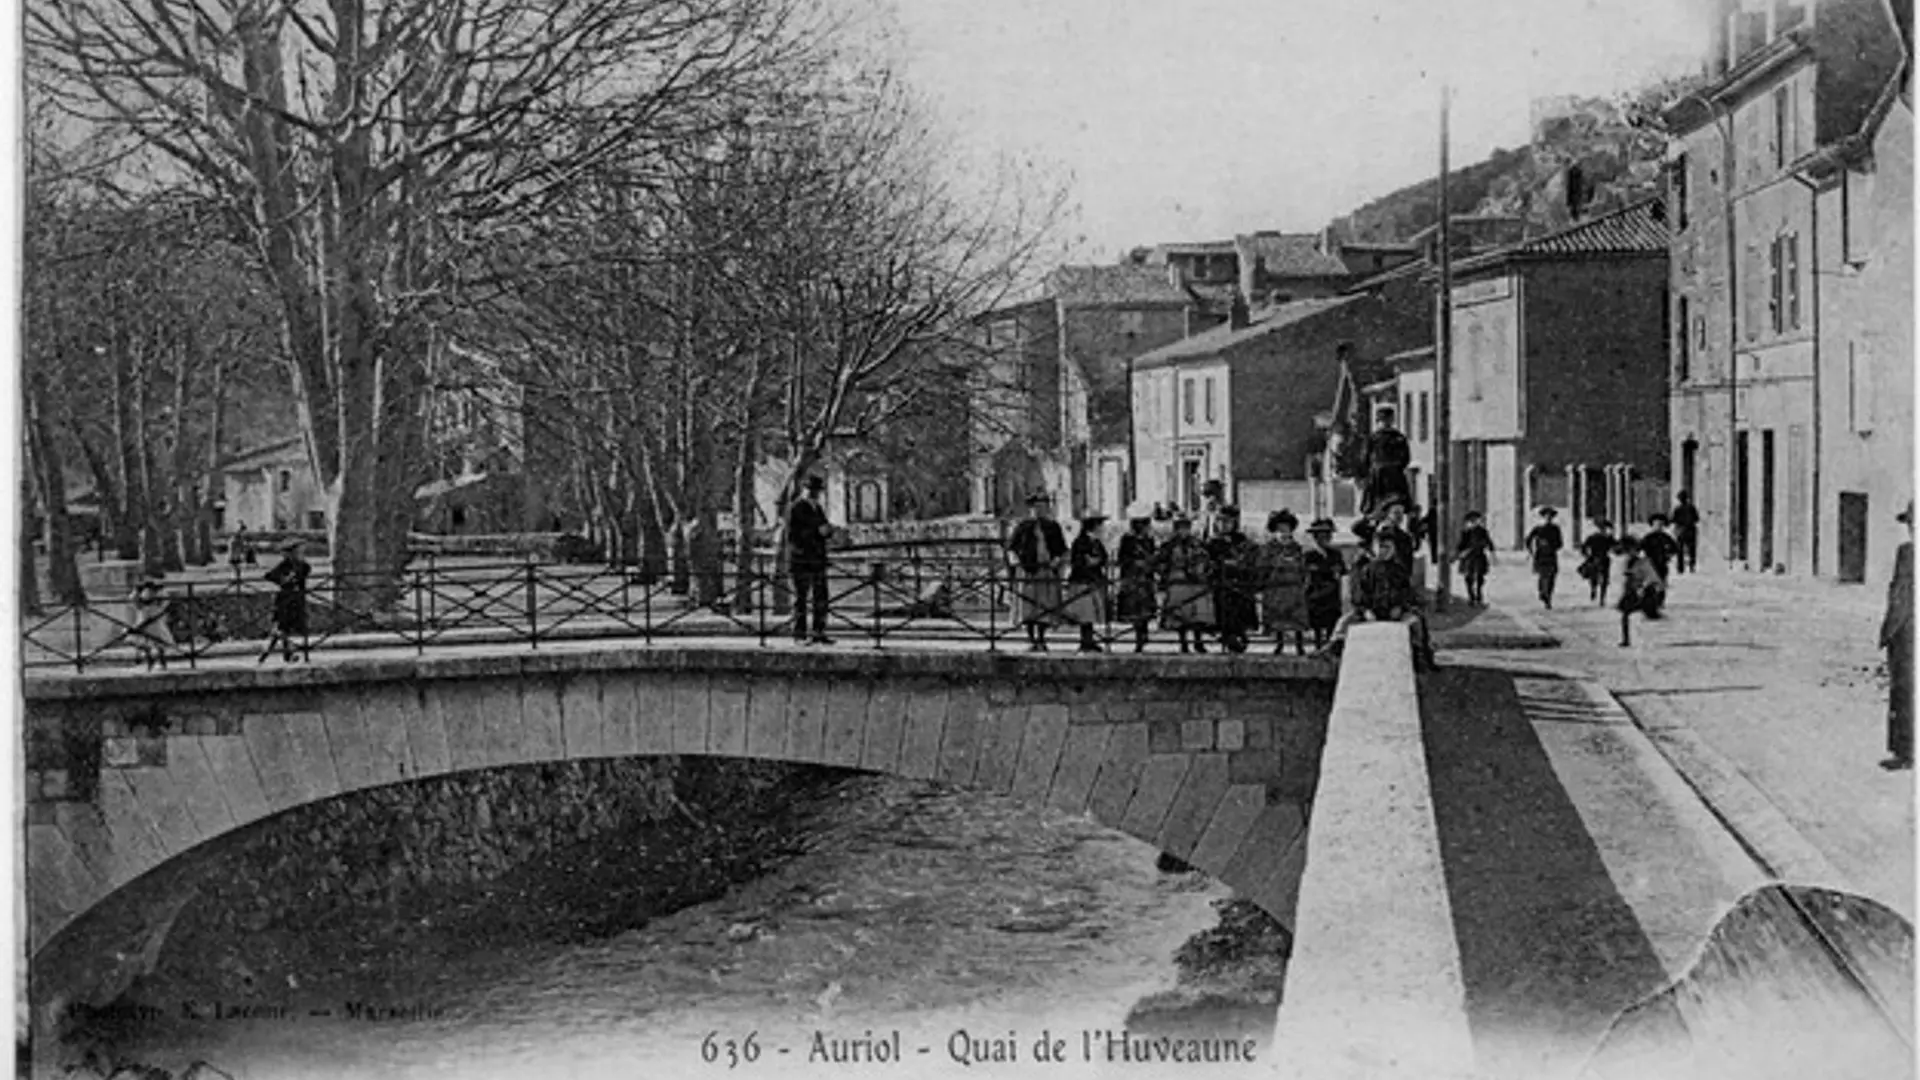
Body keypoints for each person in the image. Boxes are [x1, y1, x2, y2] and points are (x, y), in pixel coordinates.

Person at [1324, 531, 1435, 671]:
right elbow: (1359, 594)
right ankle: (1333, 648)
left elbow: (1406, 593)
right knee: (1344, 622)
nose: (1384, 551)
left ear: (1394, 550)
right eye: (1381, 547)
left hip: (1396, 612)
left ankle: (1418, 656)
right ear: (1374, 548)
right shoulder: (1367, 570)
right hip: (1371, 612)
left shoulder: (1399, 571)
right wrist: (1366, 610)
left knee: (1415, 623)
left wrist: (1399, 606)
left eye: (1388, 547)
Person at [1006, 492, 1069, 652]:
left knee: (1044, 606)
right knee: (1028, 607)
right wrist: (1017, 563)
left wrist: (1057, 560)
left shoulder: (1053, 527)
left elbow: (1061, 549)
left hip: (1046, 571)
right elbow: (1011, 548)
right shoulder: (1022, 527)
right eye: (1036, 507)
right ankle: (1031, 639)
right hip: (1028, 571)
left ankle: (1041, 637)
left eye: (1042, 507)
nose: (1039, 510)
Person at [1879, 501, 1914, 771]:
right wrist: (1889, 632)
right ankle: (1904, 752)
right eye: (1912, 525)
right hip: (1903, 634)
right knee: (1902, 692)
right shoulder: (1905, 552)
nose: (1914, 529)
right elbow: (1896, 593)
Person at [787, 476, 836, 645]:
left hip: (817, 559)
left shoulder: (818, 508)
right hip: (801, 559)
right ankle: (799, 633)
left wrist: (828, 531)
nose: (815, 494)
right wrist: (818, 532)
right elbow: (793, 535)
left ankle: (818, 631)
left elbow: (824, 527)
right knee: (800, 597)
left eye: (817, 491)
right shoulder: (796, 508)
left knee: (821, 596)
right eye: (812, 490)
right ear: (804, 489)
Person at [1156, 514, 1214, 654]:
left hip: (1195, 582)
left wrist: (1200, 568)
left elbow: (1205, 558)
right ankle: (1183, 642)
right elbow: (1160, 562)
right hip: (1178, 580)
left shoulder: (1197, 543)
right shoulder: (1169, 545)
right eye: (1180, 528)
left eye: (1186, 528)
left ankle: (1198, 641)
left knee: (1197, 613)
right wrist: (1165, 573)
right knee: (1179, 613)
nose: (1183, 531)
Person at [1206, 506, 1258, 653]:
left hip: (1239, 582)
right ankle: (1227, 636)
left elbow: (1250, 557)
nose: (1224, 525)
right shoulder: (1212, 542)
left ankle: (1239, 635)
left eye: (1228, 522)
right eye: (1221, 521)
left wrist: (1241, 564)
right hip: (1221, 582)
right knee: (1223, 611)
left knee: (1240, 611)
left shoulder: (1242, 541)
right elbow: (1209, 561)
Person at [1260, 510, 1310, 655]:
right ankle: (1279, 644)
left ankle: (1299, 645)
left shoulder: (1296, 547)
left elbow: (1302, 565)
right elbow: (1264, 565)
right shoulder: (1269, 548)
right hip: (1276, 587)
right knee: (1278, 617)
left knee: (1297, 617)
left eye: (1286, 528)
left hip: (1293, 586)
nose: (1283, 532)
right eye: (1280, 529)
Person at [1064, 513, 1111, 653]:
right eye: (1099, 525)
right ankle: (1086, 640)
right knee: (1085, 612)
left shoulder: (1096, 542)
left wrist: (1097, 561)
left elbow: (1104, 557)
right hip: (1082, 580)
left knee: (1091, 612)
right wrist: (1088, 562)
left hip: (1093, 580)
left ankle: (1089, 639)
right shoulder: (1080, 542)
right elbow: (1077, 561)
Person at [1115, 509, 1160, 653]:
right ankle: (1139, 636)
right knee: (1135, 608)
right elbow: (1122, 558)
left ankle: (1143, 631)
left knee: (1145, 607)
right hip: (1133, 577)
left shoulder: (1149, 539)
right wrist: (1134, 563)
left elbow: (1154, 556)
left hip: (1145, 577)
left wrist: (1150, 563)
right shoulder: (1127, 539)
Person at [260, 539, 311, 663]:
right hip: (284, 600)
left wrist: (295, 577)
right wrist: (283, 580)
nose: (299, 554)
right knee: (282, 628)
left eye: (300, 551)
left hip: (297, 600)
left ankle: (280, 654)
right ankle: (285, 652)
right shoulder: (284, 565)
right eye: (297, 551)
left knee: (290, 628)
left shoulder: (303, 565)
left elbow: (306, 572)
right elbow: (269, 575)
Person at [1302, 518, 1347, 648]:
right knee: (1317, 622)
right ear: (1316, 537)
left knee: (1332, 621)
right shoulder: (1309, 554)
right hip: (1316, 593)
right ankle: (1317, 645)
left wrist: (1333, 572)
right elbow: (1309, 570)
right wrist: (1327, 570)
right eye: (1322, 535)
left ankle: (1329, 645)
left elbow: (1342, 569)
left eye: (1328, 535)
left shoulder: (1335, 554)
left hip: (1332, 594)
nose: (1326, 538)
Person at [1616, 535, 1666, 647]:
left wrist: (1643, 587)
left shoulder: (1644, 562)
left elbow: (1652, 577)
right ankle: (1626, 639)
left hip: (1643, 592)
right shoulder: (1626, 562)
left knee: (1648, 615)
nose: (1630, 553)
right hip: (1630, 592)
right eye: (1627, 551)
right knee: (1625, 614)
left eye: (1632, 551)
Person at [1362, 408, 1413, 514]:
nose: (1386, 422)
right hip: (1378, 476)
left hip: (1393, 475)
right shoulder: (1374, 438)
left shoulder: (1399, 437)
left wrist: (1395, 467)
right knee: (1375, 503)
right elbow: (1366, 458)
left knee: (1397, 501)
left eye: (1388, 419)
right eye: (1384, 419)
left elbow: (1405, 458)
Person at [129, 574, 175, 670]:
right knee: (145, 643)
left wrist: (157, 589)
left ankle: (161, 662)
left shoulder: (159, 596)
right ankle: (150, 662)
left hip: (154, 618)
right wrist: (138, 589)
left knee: (159, 642)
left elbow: (165, 602)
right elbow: (134, 600)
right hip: (144, 617)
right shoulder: (140, 598)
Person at [1526, 507, 1565, 609]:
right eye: (1546, 516)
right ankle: (1543, 593)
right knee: (1543, 576)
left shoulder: (1555, 529)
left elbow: (1560, 543)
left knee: (1551, 577)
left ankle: (1548, 597)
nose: (1548, 518)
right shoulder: (1538, 529)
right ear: (1543, 517)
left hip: (1551, 555)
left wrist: (1552, 546)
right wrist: (1531, 550)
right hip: (1541, 556)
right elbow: (1529, 539)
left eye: (1550, 517)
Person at [1455, 510, 1494, 607]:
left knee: (1480, 577)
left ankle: (1479, 596)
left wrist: (1490, 550)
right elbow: (1461, 544)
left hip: (1479, 556)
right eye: (1472, 520)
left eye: (1476, 520)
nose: (1474, 522)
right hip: (1468, 557)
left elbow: (1488, 541)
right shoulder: (1466, 532)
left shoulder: (1482, 531)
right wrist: (1460, 553)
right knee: (1468, 577)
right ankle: (1471, 597)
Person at [1579, 519, 1617, 605]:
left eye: (1604, 529)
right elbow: (1584, 547)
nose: (1603, 530)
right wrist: (1587, 555)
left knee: (1604, 580)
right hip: (1595, 558)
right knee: (1594, 577)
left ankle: (1602, 598)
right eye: (1601, 528)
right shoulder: (1593, 537)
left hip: (1604, 559)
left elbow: (1616, 548)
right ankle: (1594, 589)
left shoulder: (1608, 538)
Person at [1642, 514, 1680, 583]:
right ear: (1652, 525)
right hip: (1650, 564)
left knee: (1661, 582)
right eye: (1656, 524)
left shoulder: (1666, 537)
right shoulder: (1648, 538)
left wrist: (1668, 554)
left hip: (1662, 564)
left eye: (1660, 525)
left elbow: (1675, 548)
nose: (1658, 527)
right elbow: (1640, 548)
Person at [1671, 491, 1701, 575]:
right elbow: (1696, 519)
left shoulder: (1678, 509)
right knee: (1692, 549)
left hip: (1681, 530)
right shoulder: (1692, 507)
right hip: (1691, 530)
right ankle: (1692, 566)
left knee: (1680, 550)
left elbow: (1673, 519)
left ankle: (1680, 568)